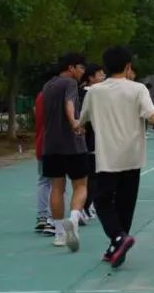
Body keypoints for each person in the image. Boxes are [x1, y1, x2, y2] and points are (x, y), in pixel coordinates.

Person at [79, 46, 154, 268]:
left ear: (105, 67)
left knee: (102, 200)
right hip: (133, 155)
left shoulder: (95, 92)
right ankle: (117, 245)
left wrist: (78, 126)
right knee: (126, 202)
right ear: (128, 66)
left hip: (108, 157)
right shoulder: (138, 89)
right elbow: (152, 114)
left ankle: (118, 238)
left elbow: (83, 119)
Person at [41, 52, 90, 252]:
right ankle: (74, 219)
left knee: (56, 188)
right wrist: (74, 123)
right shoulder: (70, 83)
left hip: (51, 146)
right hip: (73, 146)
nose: (83, 72)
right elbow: (69, 104)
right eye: (81, 68)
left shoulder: (47, 86)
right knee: (81, 186)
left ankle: (59, 234)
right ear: (71, 68)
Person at [79, 62, 105, 222]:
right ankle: (84, 207)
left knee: (91, 176)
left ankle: (87, 206)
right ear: (91, 77)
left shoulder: (88, 92)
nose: (103, 77)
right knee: (92, 177)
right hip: (91, 141)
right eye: (100, 74)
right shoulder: (90, 94)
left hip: (91, 140)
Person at [32, 87, 55, 236]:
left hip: (42, 144)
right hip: (57, 146)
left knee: (43, 180)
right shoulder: (63, 94)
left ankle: (42, 216)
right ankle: (53, 218)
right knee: (58, 183)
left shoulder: (41, 96)